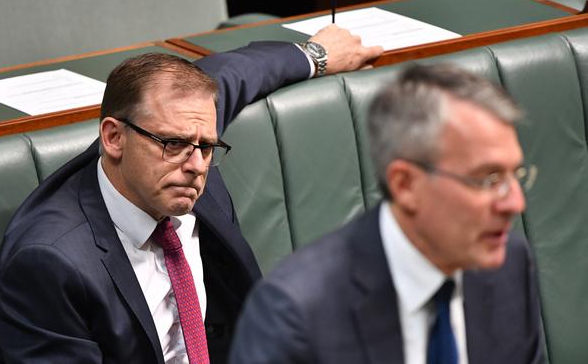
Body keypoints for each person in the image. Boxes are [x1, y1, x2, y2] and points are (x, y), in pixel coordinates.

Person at [0, 25, 382, 364]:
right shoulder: (47, 265)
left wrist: (314, 54)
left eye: (207, 147)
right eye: (173, 144)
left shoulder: (180, 140)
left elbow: (227, 75)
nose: (196, 166)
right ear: (113, 137)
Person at [229, 64, 544, 364]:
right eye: (487, 179)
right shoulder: (295, 312)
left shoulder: (508, 264)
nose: (515, 203)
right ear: (405, 185)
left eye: (514, 175)